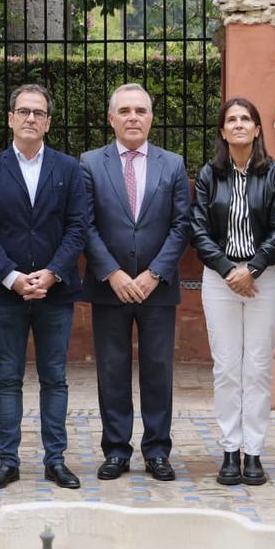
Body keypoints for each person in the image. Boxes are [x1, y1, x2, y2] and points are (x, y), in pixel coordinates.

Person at [0, 84, 88, 490]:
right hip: (6, 292)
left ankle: (55, 460)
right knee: (8, 378)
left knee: (54, 377)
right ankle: (8, 461)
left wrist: (54, 272)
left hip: (56, 291)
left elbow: (78, 227)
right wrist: (13, 277)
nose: (30, 119)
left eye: (38, 113)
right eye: (23, 111)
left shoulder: (69, 168)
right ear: (10, 118)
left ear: (48, 122)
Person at [80, 83, 192, 482]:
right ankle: (115, 450)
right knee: (111, 369)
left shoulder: (172, 164)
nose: (132, 117)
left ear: (151, 117)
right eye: (124, 110)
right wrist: (112, 273)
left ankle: (158, 450)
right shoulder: (90, 163)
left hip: (156, 287)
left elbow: (182, 225)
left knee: (158, 369)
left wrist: (153, 273)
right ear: (111, 118)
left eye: (140, 111)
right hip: (109, 286)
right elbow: (85, 224)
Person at [190, 98, 275, 487]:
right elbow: (197, 228)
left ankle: (254, 453)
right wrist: (228, 270)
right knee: (228, 366)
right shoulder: (208, 175)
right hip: (220, 279)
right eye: (231, 120)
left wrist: (251, 269)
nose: (238, 125)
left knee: (259, 366)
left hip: (262, 277)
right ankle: (230, 450)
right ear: (222, 131)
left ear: (257, 128)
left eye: (245, 119)